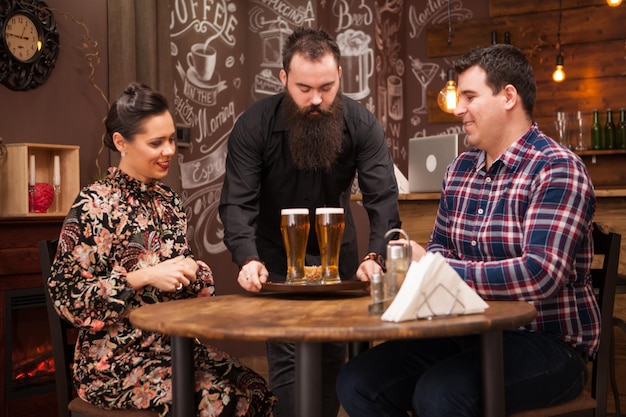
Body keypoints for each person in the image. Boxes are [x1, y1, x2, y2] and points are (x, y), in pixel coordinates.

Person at [337, 44, 600, 416]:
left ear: (508, 96)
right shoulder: (459, 170)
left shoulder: (557, 169)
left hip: (547, 342)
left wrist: (435, 268)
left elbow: (540, 274)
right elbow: (441, 247)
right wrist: (425, 266)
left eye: (470, 96)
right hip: (468, 333)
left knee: (439, 394)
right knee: (357, 381)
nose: (459, 109)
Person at [47, 82, 275, 417]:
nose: (169, 150)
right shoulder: (95, 205)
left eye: (171, 139)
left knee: (255, 390)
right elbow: (67, 300)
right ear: (121, 142)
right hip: (113, 363)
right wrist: (144, 277)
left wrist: (192, 273)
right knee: (224, 403)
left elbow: (188, 295)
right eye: (156, 142)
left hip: (175, 349)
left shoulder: (168, 201)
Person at [219, 27, 401, 417]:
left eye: (327, 86)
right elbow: (237, 202)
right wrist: (247, 258)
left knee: (337, 360)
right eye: (304, 88)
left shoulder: (361, 123)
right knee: (286, 361)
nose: (316, 99)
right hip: (275, 259)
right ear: (283, 78)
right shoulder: (254, 125)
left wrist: (376, 256)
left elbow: (382, 197)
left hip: (341, 257)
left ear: (340, 74)